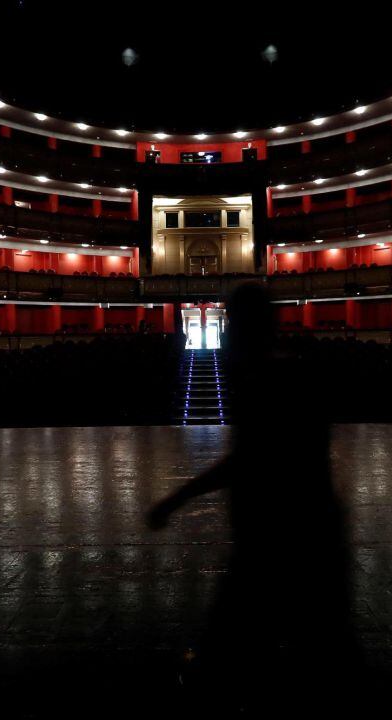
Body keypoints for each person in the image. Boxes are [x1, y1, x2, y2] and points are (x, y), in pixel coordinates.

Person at [148, 282, 362, 713]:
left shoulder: (272, 379)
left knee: (247, 656)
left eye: (232, 322)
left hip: (284, 538)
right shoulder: (282, 374)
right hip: (299, 535)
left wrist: (175, 500)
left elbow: (250, 460)